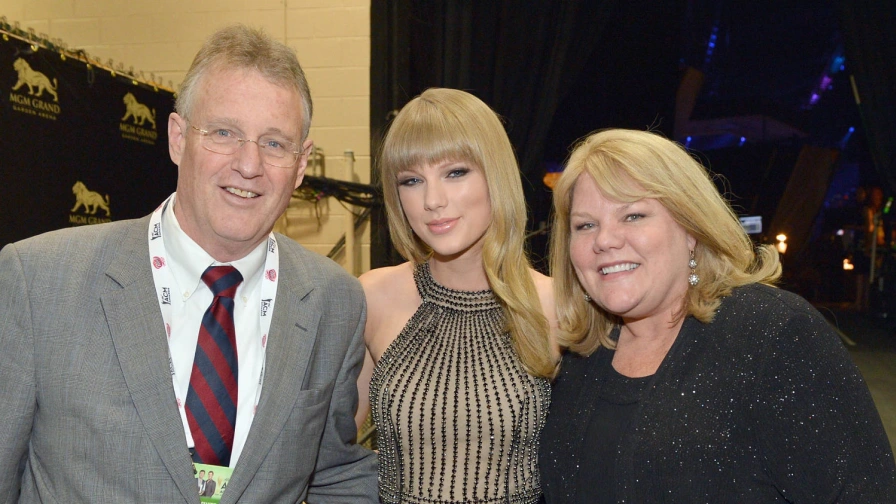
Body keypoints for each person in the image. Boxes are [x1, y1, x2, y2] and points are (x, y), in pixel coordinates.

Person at [0, 24, 377, 503]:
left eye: (275, 143)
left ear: (301, 165)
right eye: (224, 132)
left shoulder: (332, 301)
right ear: (178, 138)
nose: (248, 164)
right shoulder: (40, 283)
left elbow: (335, 475)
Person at [540, 128, 896, 502]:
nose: (605, 240)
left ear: (690, 228)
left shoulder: (772, 333)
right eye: (585, 225)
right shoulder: (577, 353)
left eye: (633, 215)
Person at [359, 88, 559, 503]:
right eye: (412, 181)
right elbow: (325, 453)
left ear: (496, 174)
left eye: (455, 172)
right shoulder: (372, 297)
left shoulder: (558, 306)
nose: (433, 200)